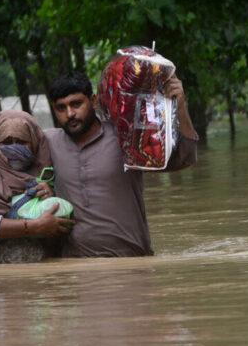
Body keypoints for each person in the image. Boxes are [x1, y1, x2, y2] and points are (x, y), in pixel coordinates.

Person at [45, 71, 198, 257]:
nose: (70, 114)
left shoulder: (127, 138)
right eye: (61, 108)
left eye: (76, 104)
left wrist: (180, 105)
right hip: (75, 266)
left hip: (131, 261)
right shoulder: (49, 143)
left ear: (93, 101)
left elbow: (185, 158)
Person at [0, 110, 75, 265]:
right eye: (6, 142)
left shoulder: (45, 168)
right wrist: (34, 227)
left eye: (21, 141)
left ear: (34, 142)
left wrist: (48, 195)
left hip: (43, 269)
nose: (14, 148)